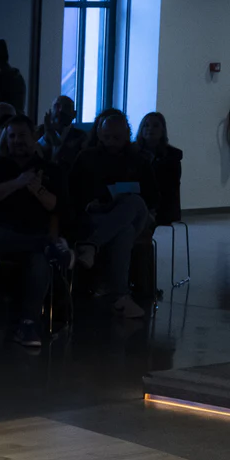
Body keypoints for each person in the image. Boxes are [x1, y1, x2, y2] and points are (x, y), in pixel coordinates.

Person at [0, 116, 63, 348]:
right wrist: (17, 182)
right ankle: (51, 248)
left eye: (22, 135)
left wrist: (37, 189)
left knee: (39, 261)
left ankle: (27, 324)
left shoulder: (49, 169)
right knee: (43, 248)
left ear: (33, 136)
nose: (17, 141)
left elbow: (56, 206)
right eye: (12, 136)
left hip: (32, 235)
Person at [67, 108, 155, 318]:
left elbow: (152, 194)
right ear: (99, 134)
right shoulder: (86, 157)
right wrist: (94, 203)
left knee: (133, 201)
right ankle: (120, 297)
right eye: (106, 137)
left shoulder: (139, 160)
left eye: (116, 137)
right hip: (99, 216)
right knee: (122, 232)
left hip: (135, 213)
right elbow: (72, 191)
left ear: (127, 135)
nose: (111, 142)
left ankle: (92, 245)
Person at [136, 112, 184, 227]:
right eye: (146, 125)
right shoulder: (132, 152)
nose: (150, 129)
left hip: (162, 205)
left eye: (155, 125)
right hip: (138, 201)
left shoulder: (172, 155)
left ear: (163, 130)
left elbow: (171, 186)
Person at [39, 95, 86, 172]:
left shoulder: (81, 136)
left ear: (74, 114)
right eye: (57, 106)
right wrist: (47, 135)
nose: (60, 110)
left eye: (66, 107)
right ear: (50, 111)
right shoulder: (40, 131)